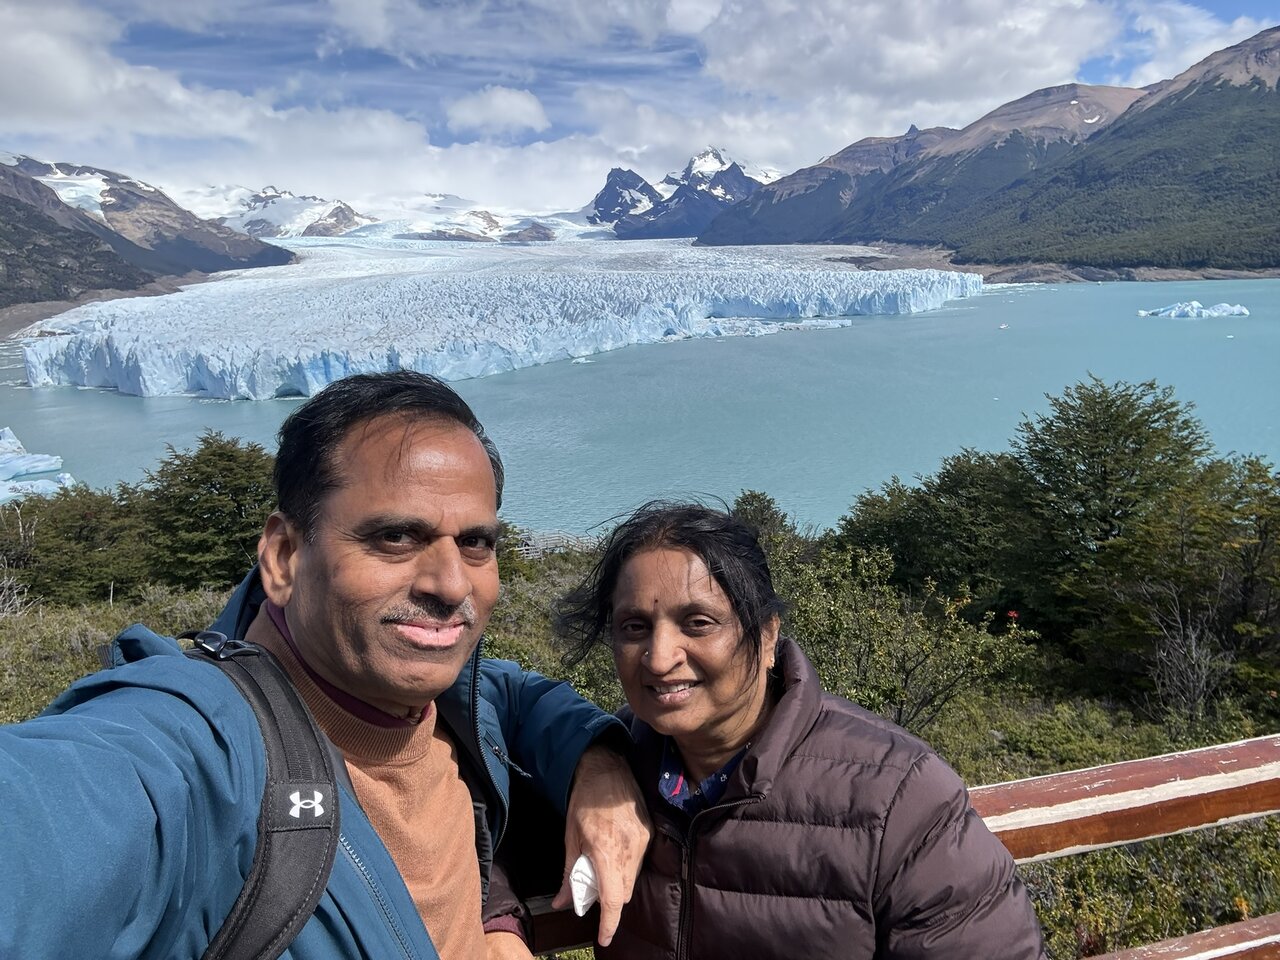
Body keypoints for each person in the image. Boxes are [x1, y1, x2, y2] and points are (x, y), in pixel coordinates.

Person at [0, 371, 650, 960]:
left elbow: (508, 691)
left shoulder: (444, 698)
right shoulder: (202, 754)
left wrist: (599, 766)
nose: (453, 583)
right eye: (396, 536)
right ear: (284, 557)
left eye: (476, 542)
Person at [554, 502, 1047, 959]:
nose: (660, 658)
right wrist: (595, 760)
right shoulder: (617, 756)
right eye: (634, 627)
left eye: (698, 623)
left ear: (766, 635)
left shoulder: (900, 797)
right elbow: (513, 719)